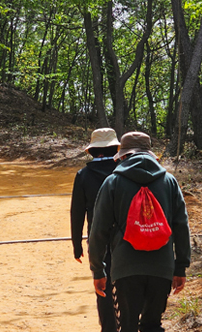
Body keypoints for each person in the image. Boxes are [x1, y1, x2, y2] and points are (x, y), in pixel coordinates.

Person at [88, 131, 191, 332]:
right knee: (152, 325)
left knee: (127, 327)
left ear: (124, 155)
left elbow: (99, 229)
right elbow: (181, 225)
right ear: (150, 154)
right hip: (161, 268)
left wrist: (98, 270)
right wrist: (180, 267)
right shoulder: (169, 182)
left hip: (125, 269)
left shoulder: (113, 182)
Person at [70, 127, 119, 332]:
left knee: (102, 282)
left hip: (97, 238)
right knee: (124, 282)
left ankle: (108, 327)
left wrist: (77, 245)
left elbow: (77, 212)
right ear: (116, 149)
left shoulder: (83, 175)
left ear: (91, 151)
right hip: (124, 236)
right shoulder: (121, 171)